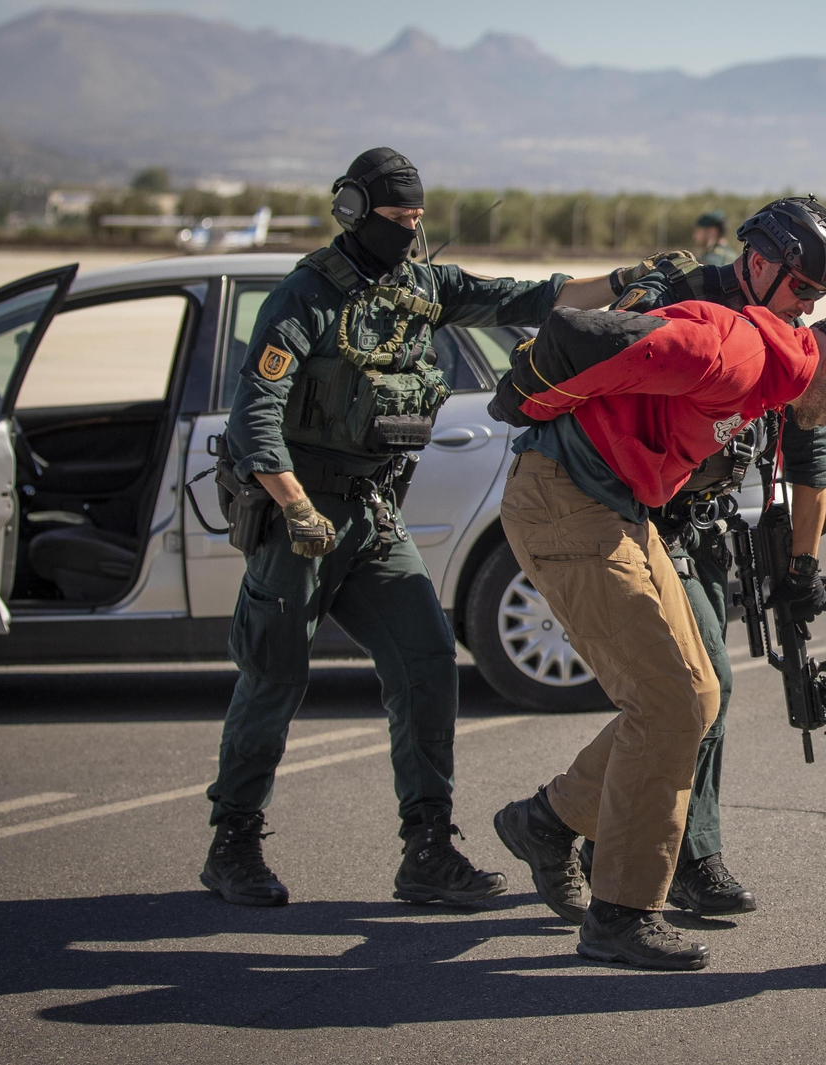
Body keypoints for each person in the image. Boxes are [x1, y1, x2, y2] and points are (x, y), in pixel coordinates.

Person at [203, 146, 670, 908]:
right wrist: (292, 504)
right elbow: (254, 411)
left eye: (418, 219)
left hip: (374, 516)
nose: (409, 233)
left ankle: (427, 849)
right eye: (395, 219)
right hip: (303, 516)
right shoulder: (306, 297)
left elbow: (533, 295)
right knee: (274, 675)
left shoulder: (423, 286)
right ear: (354, 212)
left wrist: (624, 283)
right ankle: (233, 842)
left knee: (426, 664)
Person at [489, 301, 826, 970]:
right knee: (668, 702)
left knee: (699, 696)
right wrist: (529, 404)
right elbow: (592, 339)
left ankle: (549, 820)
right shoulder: (743, 354)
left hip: (618, 506)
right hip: (568, 500)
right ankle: (622, 912)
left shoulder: (775, 381)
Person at [582, 195, 826, 918]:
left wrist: (802, 569)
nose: (807, 306)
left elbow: (810, 455)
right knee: (704, 688)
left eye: (818, 297)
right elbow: (602, 373)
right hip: (641, 512)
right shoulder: (680, 299)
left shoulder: (790, 336)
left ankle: (572, 824)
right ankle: (685, 854)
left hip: (707, 528)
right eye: (802, 288)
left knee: (692, 696)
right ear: (761, 262)